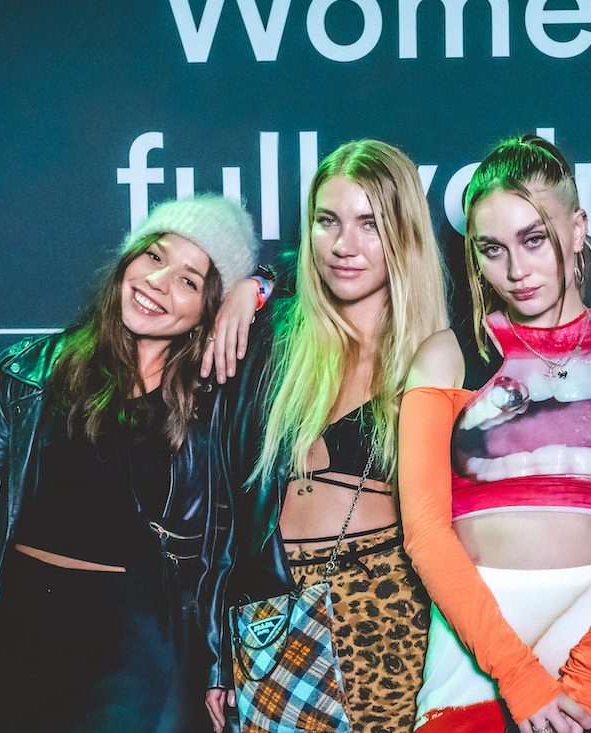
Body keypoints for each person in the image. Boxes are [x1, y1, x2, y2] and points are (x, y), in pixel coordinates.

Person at [0, 195, 260, 732]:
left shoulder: (216, 403)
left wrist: (256, 286)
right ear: (125, 263)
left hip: (136, 650)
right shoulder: (29, 375)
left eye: (189, 280)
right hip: (16, 627)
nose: (158, 282)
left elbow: (327, 280)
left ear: (212, 308)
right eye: (154, 257)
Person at [401, 134, 591, 733]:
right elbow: (425, 531)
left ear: (578, 228)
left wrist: (586, 676)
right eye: (492, 249)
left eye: (534, 239)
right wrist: (520, 677)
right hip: (475, 632)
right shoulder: (446, 357)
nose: (516, 270)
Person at [201, 139, 449, 733]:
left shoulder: (434, 352)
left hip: (387, 610)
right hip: (273, 610)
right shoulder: (273, 336)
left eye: (370, 224)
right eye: (327, 221)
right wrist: (215, 654)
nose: (344, 246)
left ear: (404, 233)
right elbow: (218, 513)